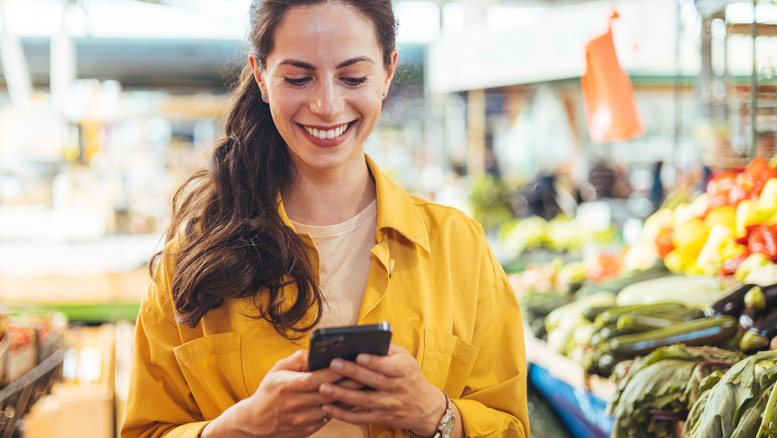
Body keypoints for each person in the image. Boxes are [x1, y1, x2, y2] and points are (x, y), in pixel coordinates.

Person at [120, 1, 530, 437]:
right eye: (298, 78)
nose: (327, 105)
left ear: (388, 72)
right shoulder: (192, 260)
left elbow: (511, 426)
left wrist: (435, 415)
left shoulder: (459, 248)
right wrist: (236, 429)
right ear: (260, 76)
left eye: (353, 77)